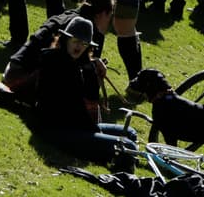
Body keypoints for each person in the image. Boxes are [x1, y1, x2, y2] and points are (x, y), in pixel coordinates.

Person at [34, 16, 136, 163]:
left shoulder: (78, 65)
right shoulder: (56, 62)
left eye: (84, 43)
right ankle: (122, 169)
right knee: (127, 144)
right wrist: (95, 131)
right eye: (75, 41)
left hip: (75, 125)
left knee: (130, 133)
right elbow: (75, 109)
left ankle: (122, 158)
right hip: (57, 128)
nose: (79, 47)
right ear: (66, 39)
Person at [2, 0, 115, 104]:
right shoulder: (84, 28)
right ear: (102, 14)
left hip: (11, 70)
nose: (109, 21)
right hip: (23, 78)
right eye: (109, 16)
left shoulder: (67, 16)